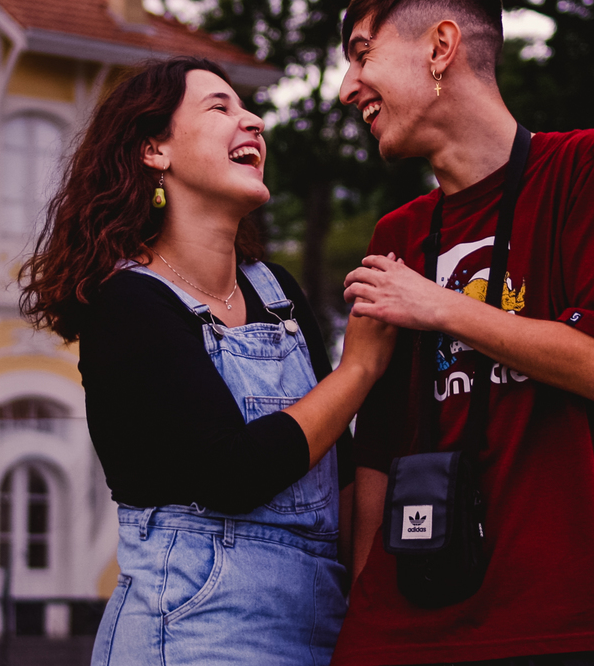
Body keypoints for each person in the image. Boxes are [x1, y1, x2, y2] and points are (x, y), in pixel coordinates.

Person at [331, 0, 594, 665]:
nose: (345, 87)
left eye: (362, 54)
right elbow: (379, 453)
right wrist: (363, 616)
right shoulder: (398, 236)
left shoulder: (589, 167)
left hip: (571, 624)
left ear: (440, 47)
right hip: (406, 631)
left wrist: (441, 306)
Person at [19, 56, 396, 666]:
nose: (252, 123)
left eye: (247, 109)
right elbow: (231, 473)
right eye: (220, 108)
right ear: (154, 151)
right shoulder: (128, 302)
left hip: (321, 623)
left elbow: (339, 466)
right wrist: (359, 370)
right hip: (193, 630)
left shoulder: (277, 292)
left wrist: (368, 606)